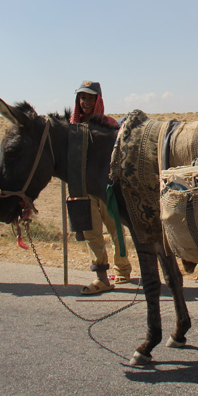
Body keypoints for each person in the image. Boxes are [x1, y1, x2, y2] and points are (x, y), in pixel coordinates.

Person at [70, 80, 132, 295]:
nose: (85, 102)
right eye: (82, 97)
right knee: (92, 233)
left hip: (106, 188)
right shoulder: (72, 128)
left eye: (90, 97)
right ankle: (102, 277)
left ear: (98, 100)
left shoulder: (110, 125)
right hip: (83, 189)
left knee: (116, 228)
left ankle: (122, 269)